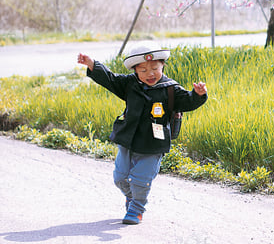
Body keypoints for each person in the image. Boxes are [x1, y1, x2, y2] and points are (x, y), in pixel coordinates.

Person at [77, 44, 208, 225]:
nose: (150, 74)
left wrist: (198, 94)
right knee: (120, 178)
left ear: (163, 65)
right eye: (144, 70)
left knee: (140, 179)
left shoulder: (170, 89)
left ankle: (137, 208)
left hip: (153, 144)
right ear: (135, 70)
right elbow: (110, 79)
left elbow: (188, 101)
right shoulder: (129, 84)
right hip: (128, 141)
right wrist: (92, 64)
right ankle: (132, 198)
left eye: (155, 68)